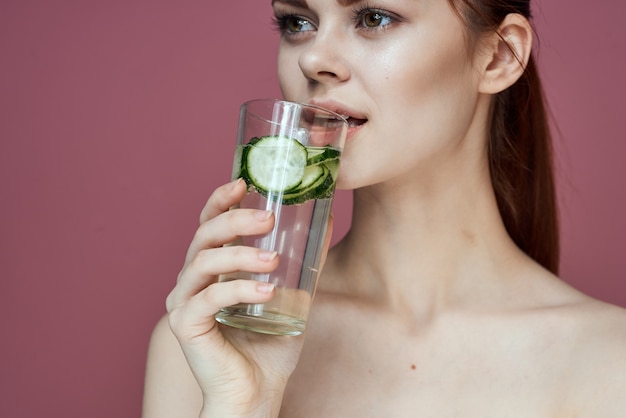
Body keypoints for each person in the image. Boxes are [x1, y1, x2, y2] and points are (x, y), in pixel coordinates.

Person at [142, 0, 626, 416]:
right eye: (297, 22)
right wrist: (241, 405)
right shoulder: (205, 343)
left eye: (374, 17)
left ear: (499, 55)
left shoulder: (610, 364)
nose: (313, 58)